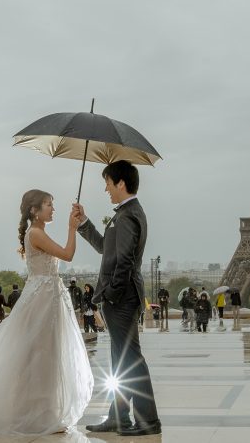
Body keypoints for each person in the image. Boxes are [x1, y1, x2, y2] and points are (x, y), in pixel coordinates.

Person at [0, 189, 92, 435]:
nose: (53, 209)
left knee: (46, 354)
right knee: (42, 354)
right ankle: (36, 413)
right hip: (44, 298)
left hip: (46, 296)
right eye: (49, 204)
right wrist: (71, 228)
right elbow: (67, 254)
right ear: (34, 210)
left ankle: (43, 411)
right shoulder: (36, 233)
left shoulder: (38, 232)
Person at [74, 160, 161, 436]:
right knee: (121, 360)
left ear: (121, 183)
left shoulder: (127, 216)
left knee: (130, 360)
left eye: (108, 183)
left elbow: (123, 261)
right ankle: (119, 417)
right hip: (125, 297)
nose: (106, 189)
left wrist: (110, 295)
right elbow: (106, 248)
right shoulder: (128, 213)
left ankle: (147, 421)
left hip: (121, 299)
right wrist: (84, 223)